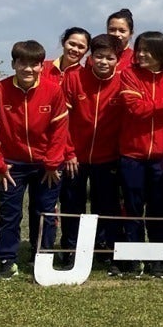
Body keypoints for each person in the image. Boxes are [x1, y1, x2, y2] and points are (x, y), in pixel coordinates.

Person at [0, 40, 69, 279]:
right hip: (12, 166)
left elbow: (59, 130)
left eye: (34, 64)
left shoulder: (53, 90)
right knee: (9, 214)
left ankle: (42, 256)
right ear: (13, 64)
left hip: (45, 166)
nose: (28, 69)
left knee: (45, 213)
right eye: (22, 63)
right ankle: (7, 260)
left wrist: (52, 163)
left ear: (41, 66)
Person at [117, 31, 163, 278]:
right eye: (139, 49)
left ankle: (158, 260)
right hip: (132, 155)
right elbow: (136, 109)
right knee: (133, 208)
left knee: (159, 210)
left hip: (161, 157)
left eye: (147, 50)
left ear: (160, 52)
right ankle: (134, 259)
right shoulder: (129, 75)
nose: (141, 54)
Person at [59, 34, 125, 269]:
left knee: (106, 206)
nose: (103, 62)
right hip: (75, 157)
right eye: (99, 56)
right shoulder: (74, 78)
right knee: (71, 205)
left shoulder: (123, 82)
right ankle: (69, 249)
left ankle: (104, 248)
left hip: (108, 158)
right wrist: (68, 152)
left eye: (110, 58)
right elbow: (62, 120)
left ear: (118, 59)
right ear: (90, 56)